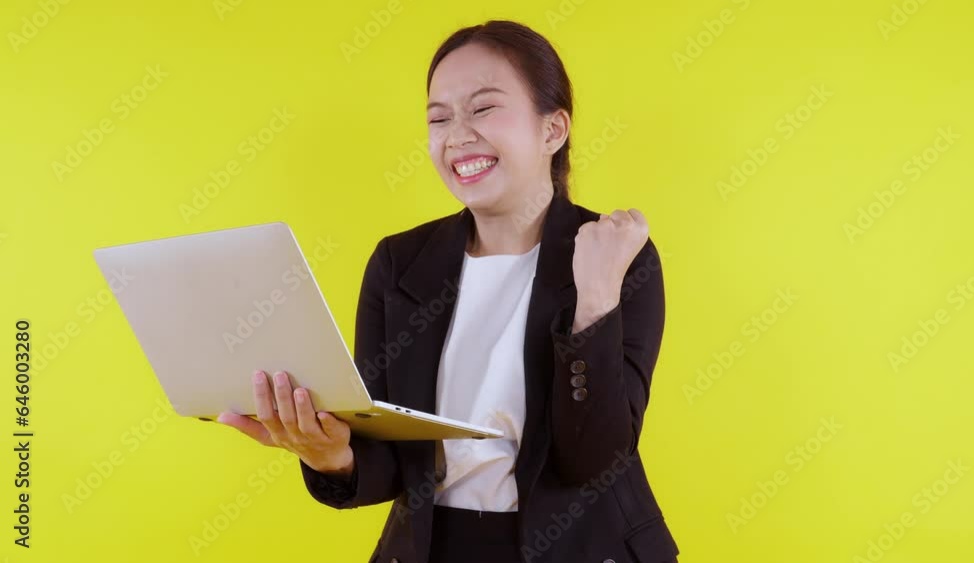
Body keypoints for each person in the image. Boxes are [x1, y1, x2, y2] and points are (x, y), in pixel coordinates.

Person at [218, 19, 680, 563]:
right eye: (439, 118)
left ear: (552, 131)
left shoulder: (617, 254)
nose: (457, 135)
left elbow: (595, 460)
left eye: (483, 109)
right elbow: (388, 455)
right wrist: (332, 454)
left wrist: (596, 301)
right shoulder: (400, 263)